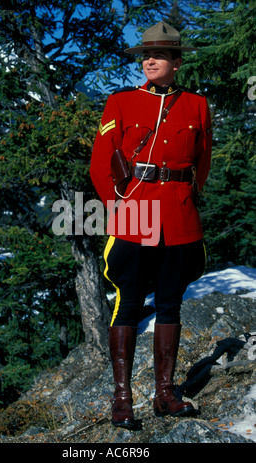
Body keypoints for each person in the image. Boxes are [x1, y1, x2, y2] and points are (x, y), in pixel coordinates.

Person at [90, 21, 212, 430]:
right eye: (145, 55)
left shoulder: (197, 105)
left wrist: (186, 198)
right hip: (135, 211)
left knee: (169, 303)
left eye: (158, 55)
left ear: (177, 62)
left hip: (178, 216)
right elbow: (100, 163)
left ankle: (165, 393)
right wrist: (119, 207)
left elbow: (202, 162)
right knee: (127, 303)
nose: (149, 60)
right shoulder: (121, 102)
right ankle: (122, 399)